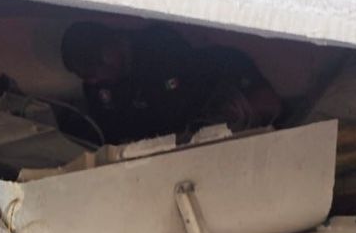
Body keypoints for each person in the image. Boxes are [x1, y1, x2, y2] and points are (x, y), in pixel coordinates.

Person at [59, 21, 282, 147]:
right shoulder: (100, 89)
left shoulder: (161, 49)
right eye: (86, 76)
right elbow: (108, 132)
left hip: (197, 136)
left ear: (110, 50)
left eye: (95, 70)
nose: (95, 80)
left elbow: (182, 102)